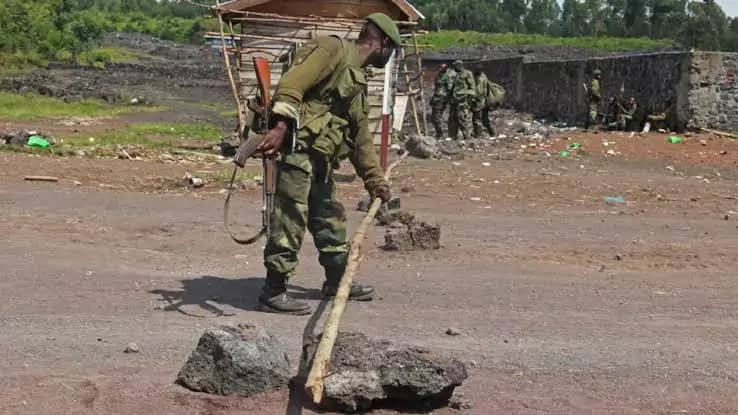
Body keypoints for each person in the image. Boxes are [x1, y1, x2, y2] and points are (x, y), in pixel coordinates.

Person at [255, 13, 398, 315]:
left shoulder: (357, 82)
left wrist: (375, 180)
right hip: (297, 152)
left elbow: (360, 140)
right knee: (290, 219)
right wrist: (280, 127)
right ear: (382, 41)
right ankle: (273, 291)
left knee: (330, 219)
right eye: (391, 49)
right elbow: (293, 84)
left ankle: (336, 282)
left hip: (320, 160)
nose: (389, 56)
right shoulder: (331, 50)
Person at [449, 60, 476, 140]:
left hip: (463, 100)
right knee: (452, 119)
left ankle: (467, 137)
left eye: (455, 66)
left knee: (462, 118)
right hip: (454, 100)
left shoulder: (467, 74)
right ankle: (452, 137)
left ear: (460, 66)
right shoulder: (454, 75)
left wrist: (468, 99)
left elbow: (472, 88)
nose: (454, 68)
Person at [472, 70, 504, 138]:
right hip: (486, 102)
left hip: (480, 103)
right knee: (485, 119)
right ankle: (492, 133)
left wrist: (473, 99)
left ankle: (478, 135)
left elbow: (479, 92)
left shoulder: (479, 79)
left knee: (476, 119)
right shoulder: (484, 77)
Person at [431, 64, 453, 139]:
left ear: (445, 69)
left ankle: (440, 133)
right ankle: (439, 133)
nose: (439, 68)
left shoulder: (447, 77)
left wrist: (446, 99)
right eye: (439, 67)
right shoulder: (438, 76)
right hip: (436, 98)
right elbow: (436, 88)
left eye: (441, 67)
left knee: (437, 117)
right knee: (434, 117)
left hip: (441, 99)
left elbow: (449, 89)